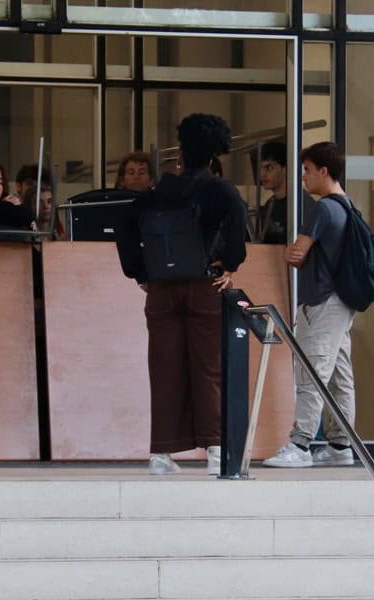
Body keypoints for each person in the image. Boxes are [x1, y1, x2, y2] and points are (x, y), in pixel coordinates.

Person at [116, 113, 248, 476]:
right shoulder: (220, 190)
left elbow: (125, 228)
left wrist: (141, 273)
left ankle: (161, 454)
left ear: (181, 155)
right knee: (209, 369)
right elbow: (237, 229)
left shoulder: (156, 194)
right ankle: (217, 450)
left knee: (164, 371)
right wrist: (230, 264)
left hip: (160, 292)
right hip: (205, 287)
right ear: (211, 157)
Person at [263, 141, 357, 469]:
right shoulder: (348, 207)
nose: (303, 177)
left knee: (312, 372)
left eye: (306, 170)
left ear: (324, 171)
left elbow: (295, 253)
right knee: (338, 373)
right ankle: (340, 444)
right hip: (342, 303)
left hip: (321, 300)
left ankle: (301, 444)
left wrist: (297, 251)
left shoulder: (324, 209)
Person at [255, 141, 289, 244]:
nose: (262, 174)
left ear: (285, 169)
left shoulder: (299, 206)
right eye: (260, 168)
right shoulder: (269, 204)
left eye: (269, 168)